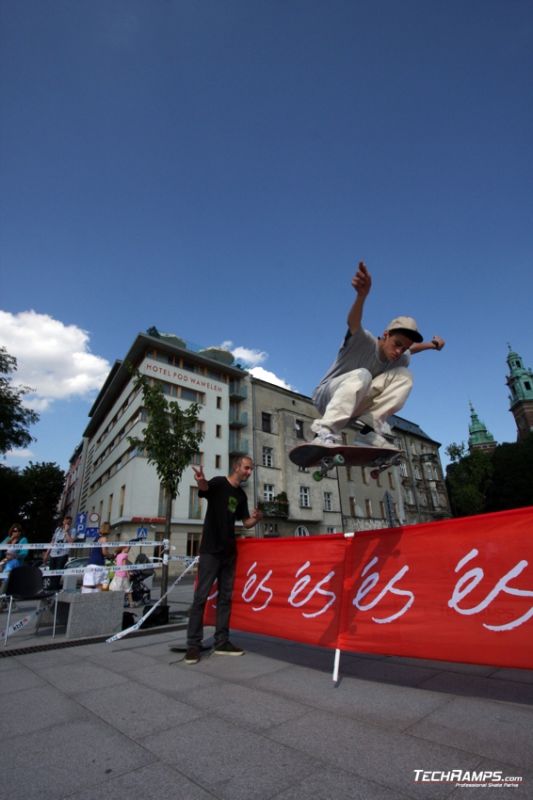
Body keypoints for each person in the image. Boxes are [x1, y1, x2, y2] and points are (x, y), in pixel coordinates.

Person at [311, 261, 445, 449]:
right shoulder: (363, 341)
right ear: (385, 335)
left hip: (354, 408)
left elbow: (412, 349)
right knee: (363, 374)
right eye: (397, 344)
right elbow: (353, 323)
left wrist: (433, 345)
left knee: (405, 375)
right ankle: (324, 431)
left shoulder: (402, 355)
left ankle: (368, 432)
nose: (399, 351)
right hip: (327, 398)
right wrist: (361, 296)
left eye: (403, 348)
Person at [184, 455, 263, 665]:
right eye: (246, 468)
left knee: (225, 599)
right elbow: (204, 489)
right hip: (210, 550)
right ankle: (193, 645)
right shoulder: (219, 483)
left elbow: (246, 522)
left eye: (250, 469)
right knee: (201, 597)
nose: (249, 472)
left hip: (229, 552)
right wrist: (200, 479)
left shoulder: (241, 495)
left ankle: (222, 641)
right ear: (237, 467)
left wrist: (256, 518)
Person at [42, 515, 74, 590]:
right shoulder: (58, 529)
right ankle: (51, 587)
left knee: (58, 572)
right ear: (63, 521)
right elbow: (52, 541)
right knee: (51, 571)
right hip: (53, 553)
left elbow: (71, 542)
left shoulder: (72, 530)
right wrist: (47, 553)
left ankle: (54, 588)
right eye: (66, 521)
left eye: (69, 522)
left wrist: (66, 532)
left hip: (62, 554)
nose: (67, 523)